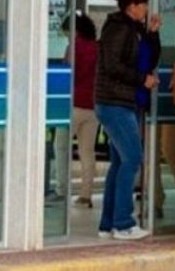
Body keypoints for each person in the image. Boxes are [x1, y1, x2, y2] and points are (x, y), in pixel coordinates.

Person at [95, 0, 160, 240]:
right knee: (132, 158)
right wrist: (140, 80)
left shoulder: (135, 30)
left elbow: (148, 59)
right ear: (132, 6)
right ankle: (123, 222)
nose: (146, 8)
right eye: (143, 3)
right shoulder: (118, 29)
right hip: (114, 102)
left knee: (120, 162)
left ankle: (108, 223)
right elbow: (112, 65)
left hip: (125, 101)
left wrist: (153, 35)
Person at [70, 13, 99, 208]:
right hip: (93, 106)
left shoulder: (75, 46)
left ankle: (61, 191)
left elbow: (69, 73)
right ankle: (86, 194)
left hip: (74, 104)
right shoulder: (97, 48)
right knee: (87, 151)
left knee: (61, 148)